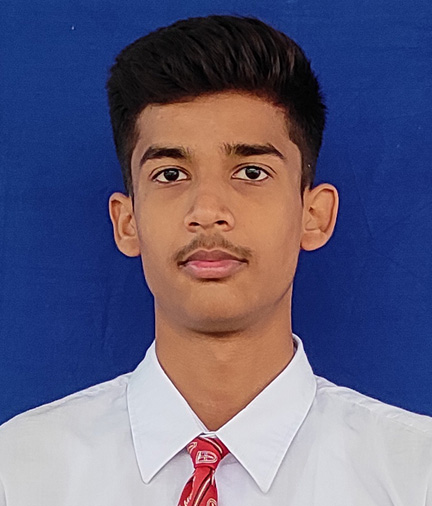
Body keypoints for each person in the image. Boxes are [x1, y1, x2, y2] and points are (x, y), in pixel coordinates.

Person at [0, 14, 430, 506]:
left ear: (314, 215)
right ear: (127, 222)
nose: (207, 211)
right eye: (170, 174)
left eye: (251, 172)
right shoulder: (19, 474)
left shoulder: (414, 477)